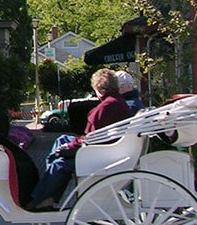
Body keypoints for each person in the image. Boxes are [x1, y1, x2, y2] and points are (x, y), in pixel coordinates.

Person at [29, 67, 133, 210]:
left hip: (98, 152)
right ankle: (49, 193)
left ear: (100, 89)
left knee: (59, 163)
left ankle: (44, 197)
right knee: (61, 140)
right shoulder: (116, 102)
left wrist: (71, 146)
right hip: (104, 146)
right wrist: (71, 144)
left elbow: (90, 138)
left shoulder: (105, 108)